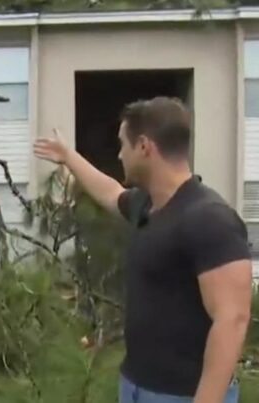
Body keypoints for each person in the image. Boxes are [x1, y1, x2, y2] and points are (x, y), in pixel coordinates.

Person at [33, 96, 253, 403]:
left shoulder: (210, 219)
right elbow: (110, 193)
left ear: (145, 147)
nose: (120, 154)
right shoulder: (147, 206)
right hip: (135, 385)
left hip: (182, 396)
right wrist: (68, 156)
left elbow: (232, 319)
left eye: (123, 144)